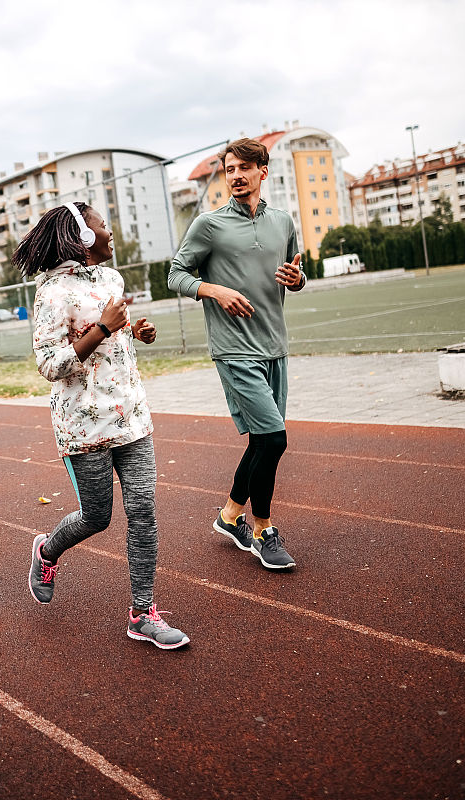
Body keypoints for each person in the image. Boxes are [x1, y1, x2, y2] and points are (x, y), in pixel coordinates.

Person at [14, 201, 189, 650]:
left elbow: (116, 337)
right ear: (84, 236)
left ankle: (143, 613)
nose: (110, 232)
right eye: (102, 225)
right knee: (97, 517)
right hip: (84, 428)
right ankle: (47, 550)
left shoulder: (112, 279)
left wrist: (136, 332)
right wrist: (103, 331)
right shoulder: (52, 293)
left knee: (144, 513)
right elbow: (51, 366)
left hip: (132, 418)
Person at [168, 137, 306, 570]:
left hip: (274, 346)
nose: (237, 176)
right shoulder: (209, 225)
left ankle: (230, 516)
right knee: (275, 439)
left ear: (263, 172)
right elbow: (175, 274)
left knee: (263, 441)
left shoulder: (283, 222)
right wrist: (214, 290)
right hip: (234, 349)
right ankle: (263, 529)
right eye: (230, 169)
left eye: (245, 168)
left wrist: (297, 280)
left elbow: (295, 273)